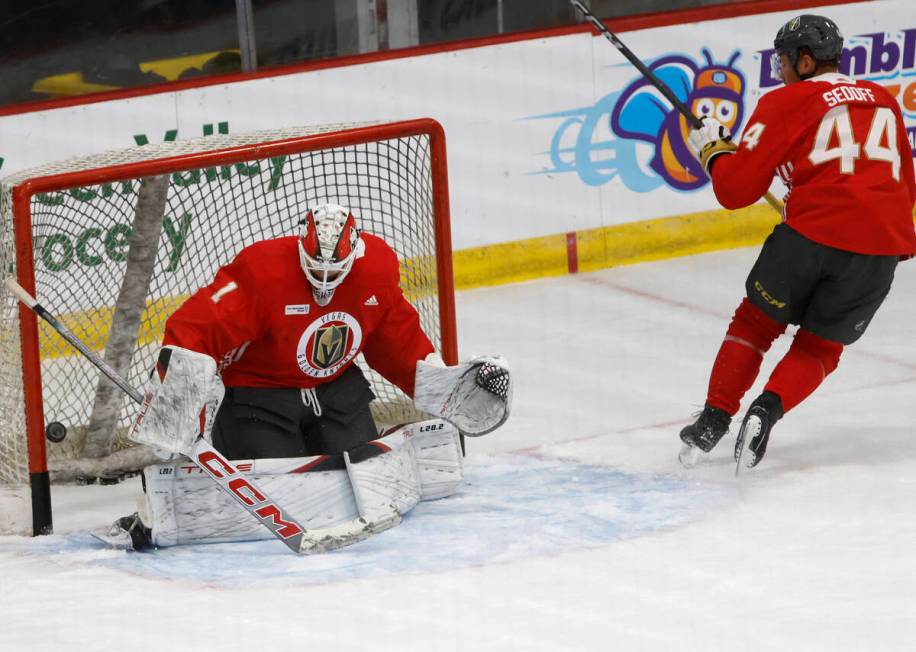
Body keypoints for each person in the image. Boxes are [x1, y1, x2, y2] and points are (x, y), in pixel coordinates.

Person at [101, 203, 511, 550]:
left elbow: (395, 339)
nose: (326, 281)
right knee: (284, 484)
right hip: (258, 396)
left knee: (361, 471)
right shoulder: (263, 271)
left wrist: (441, 385)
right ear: (301, 248)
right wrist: (177, 403)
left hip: (336, 391)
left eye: (337, 272)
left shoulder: (377, 270)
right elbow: (193, 329)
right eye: (316, 268)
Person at [680, 15, 916, 470]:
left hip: (809, 240)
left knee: (755, 324)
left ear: (806, 61)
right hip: (879, 251)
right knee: (821, 348)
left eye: (785, 61)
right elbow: (904, 184)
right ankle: (766, 410)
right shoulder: (883, 100)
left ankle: (712, 421)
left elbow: (735, 192)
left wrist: (713, 151)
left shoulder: (786, 101)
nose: (780, 70)